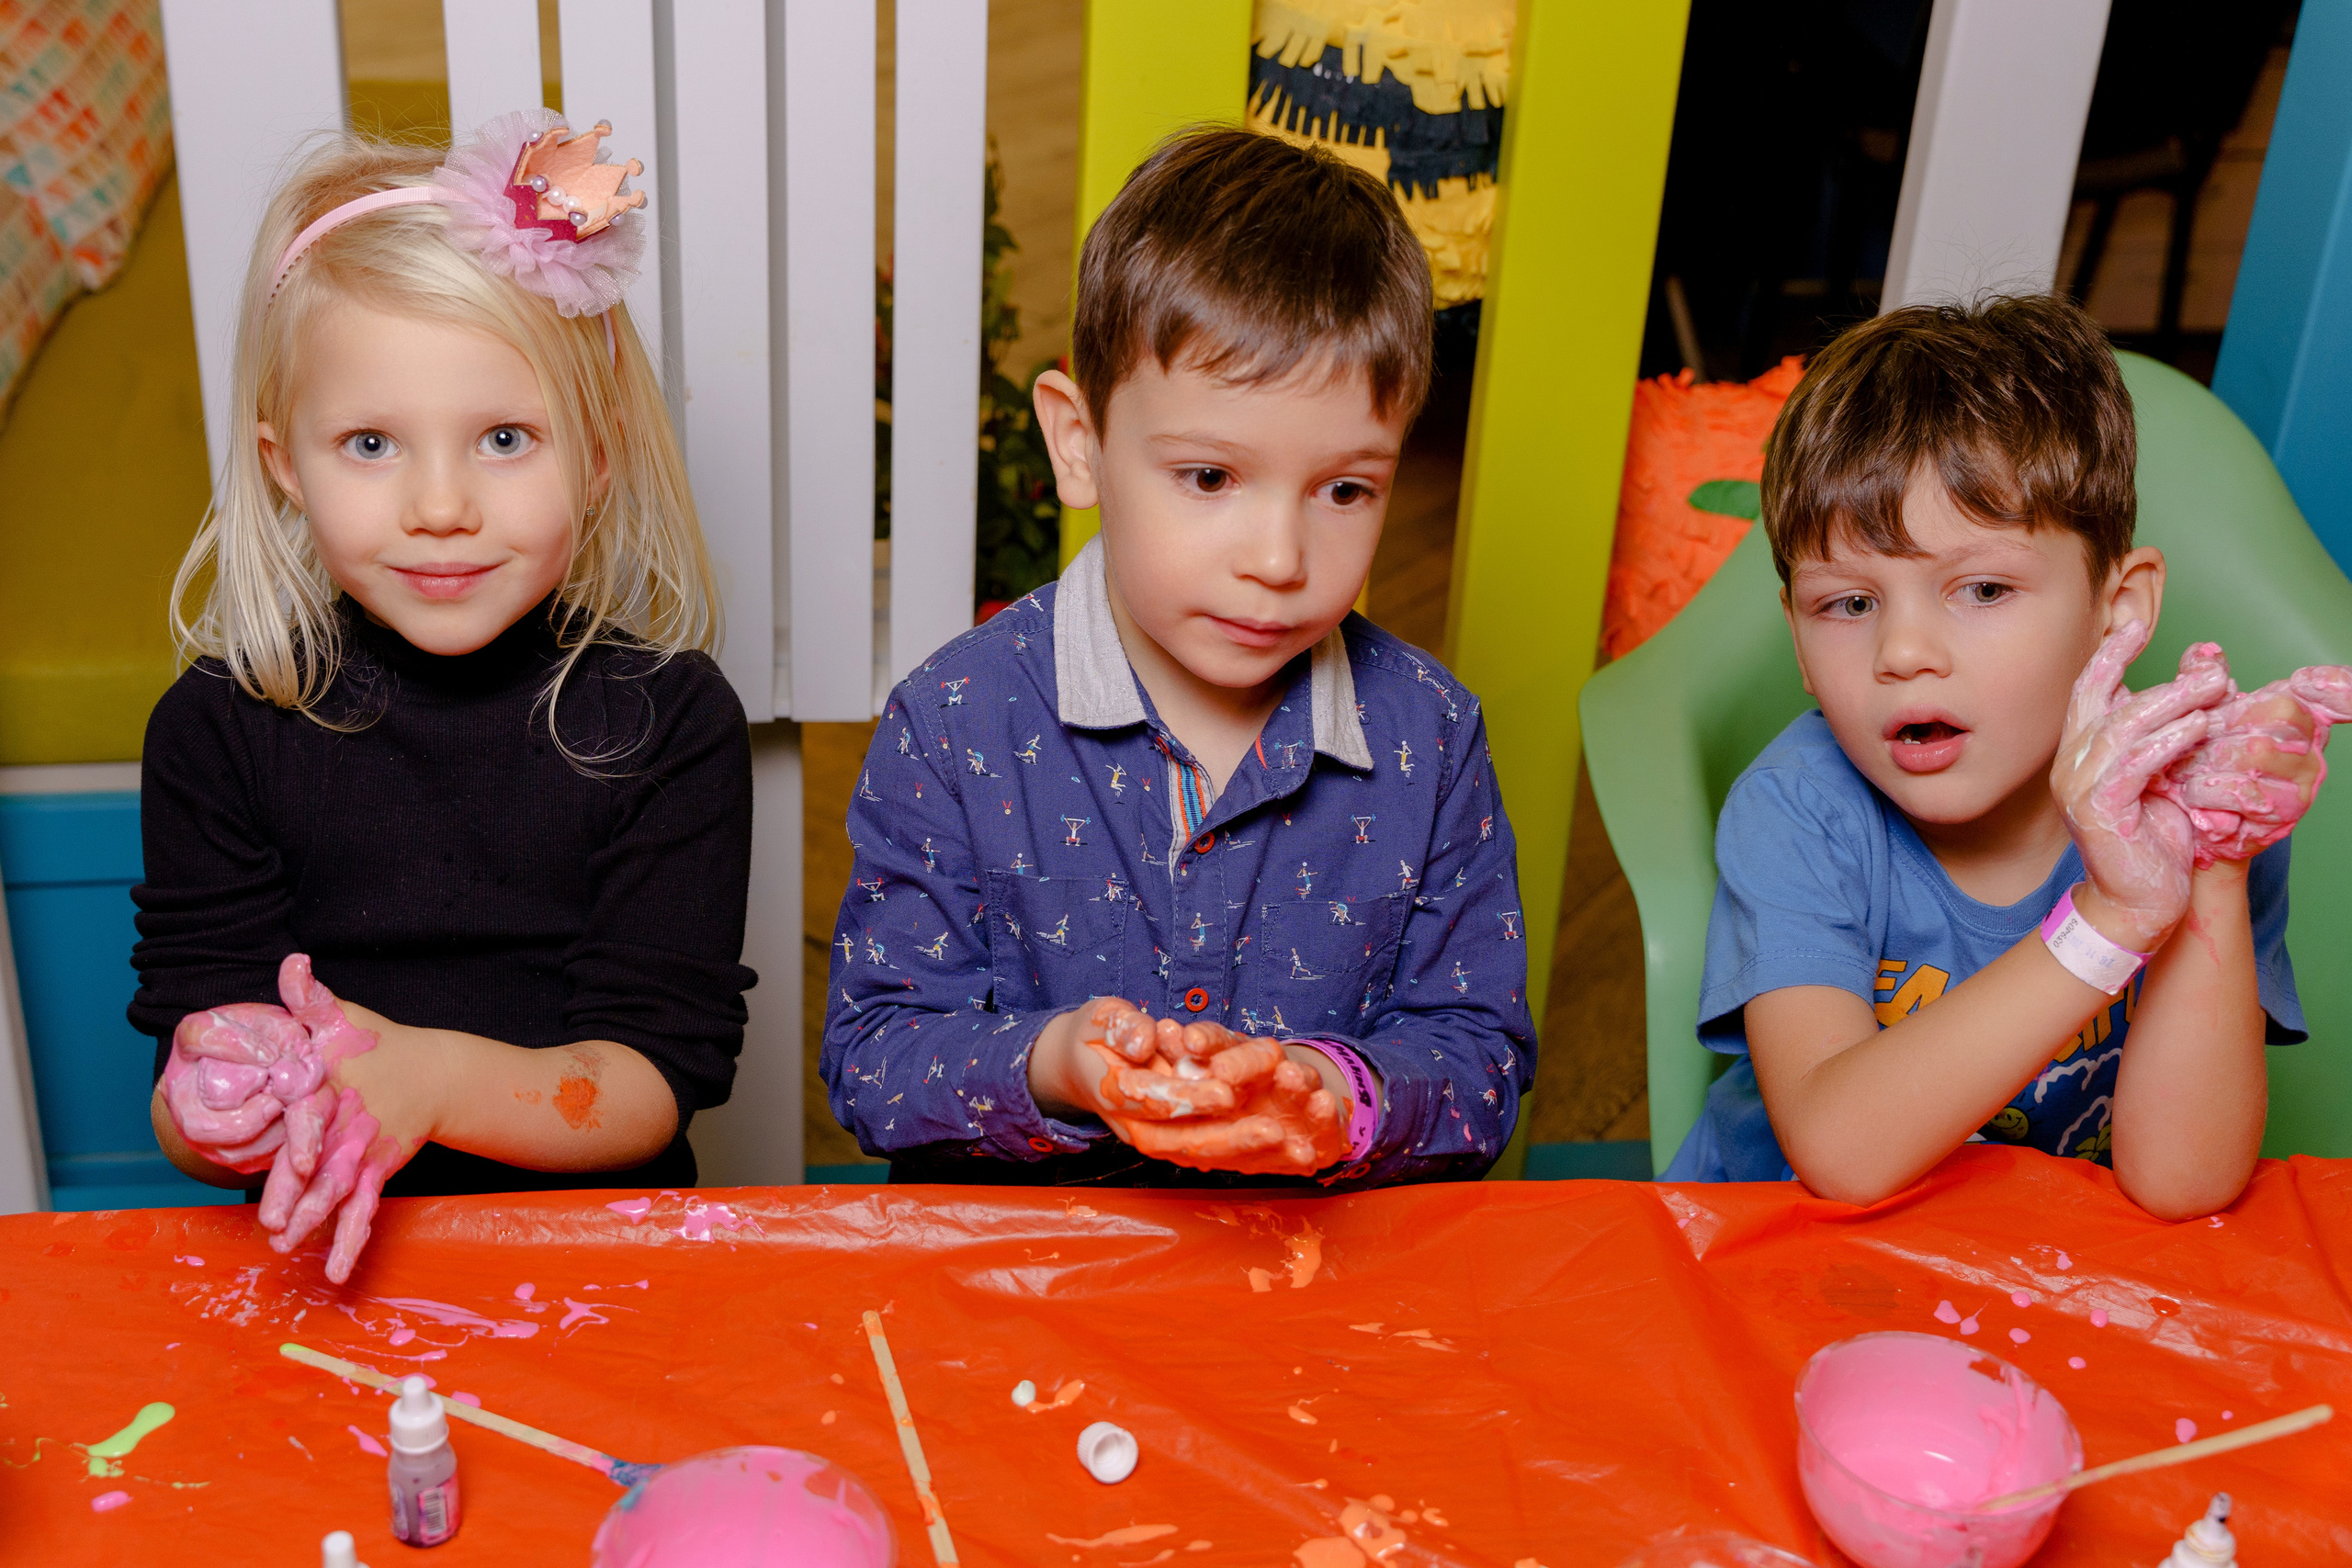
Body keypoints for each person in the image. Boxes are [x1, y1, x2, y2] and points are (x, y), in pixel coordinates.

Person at [821, 129, 1533, 1188]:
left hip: (1312, 1270)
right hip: (1032, 1267)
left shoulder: (1428, 735)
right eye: (1209, 478)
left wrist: (1331, 1093)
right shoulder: (954, 719)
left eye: (1345, 490)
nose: (1279, 560)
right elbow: (876, 1060)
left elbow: (1481, 1058)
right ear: (1080, 445)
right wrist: (1057, 1066)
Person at [134, 111, 754, 1281]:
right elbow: (187, 1082)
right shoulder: (216, 733)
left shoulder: (670, 724)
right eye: (371, 445)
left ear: (601, 453)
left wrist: (427, 1082)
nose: (439, 508)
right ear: (284, 464)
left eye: (505, 438)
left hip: (595, 1271)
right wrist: (216, 1106)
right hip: (313, 1276)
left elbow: (652, 1085)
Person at [1663, 294, 2340, 1220]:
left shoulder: (2197, 807)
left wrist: (2212, 869)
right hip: (1775, 1248)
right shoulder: (1796, 809)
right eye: (1849, 604)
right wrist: (2111, 919)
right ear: (1798, 643)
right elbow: (1839, 1150)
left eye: (1982, 589)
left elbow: (2183, 1183)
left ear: (2119, 610)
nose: (1903, 652)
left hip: (2037, 1268)